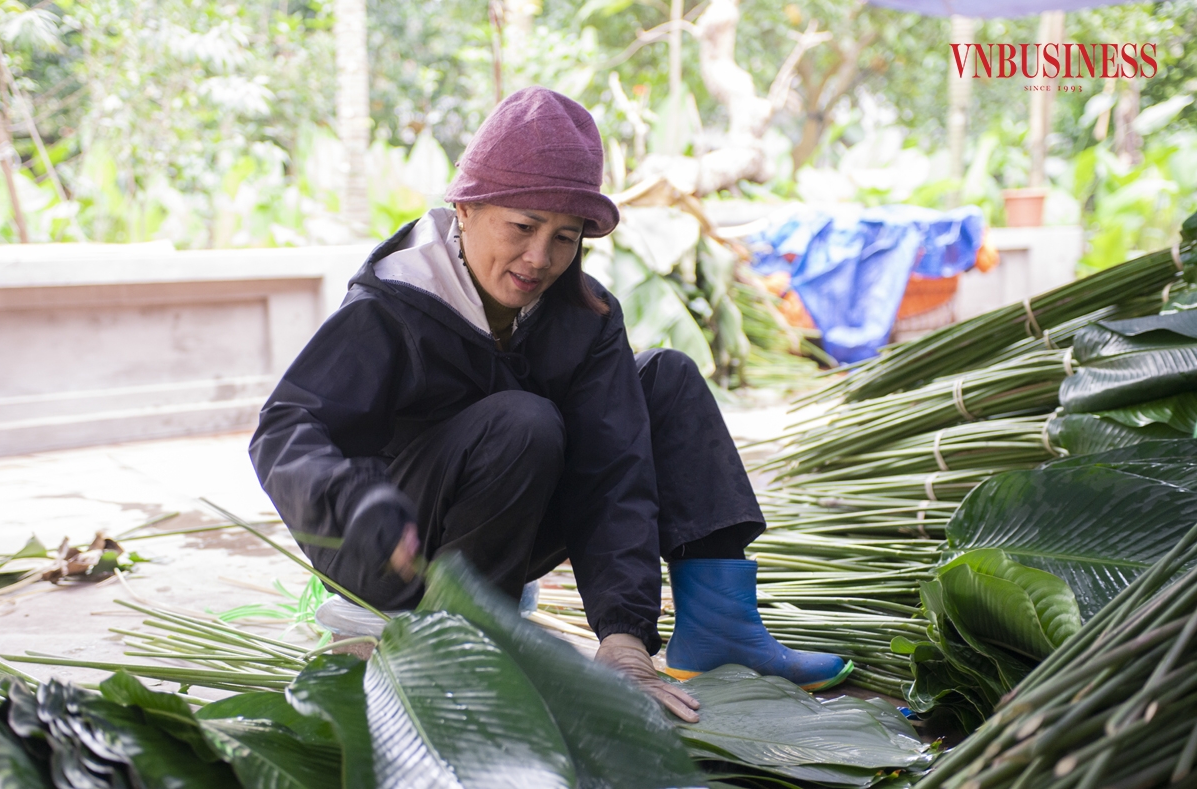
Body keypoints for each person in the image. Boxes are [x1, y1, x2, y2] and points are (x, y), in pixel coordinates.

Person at [249, 87, 850, 722]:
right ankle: (459, 649)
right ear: (467, 208)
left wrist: (624, 640)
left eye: (564, 237)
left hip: (509, 528)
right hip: (388, 546)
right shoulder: (394, 302)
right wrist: (360, 503)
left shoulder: (584, 317)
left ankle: (718, 630)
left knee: (665, 378)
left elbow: (614, 470)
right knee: (522, 418)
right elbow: (286, 430)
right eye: (522, 227)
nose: (540, 259)